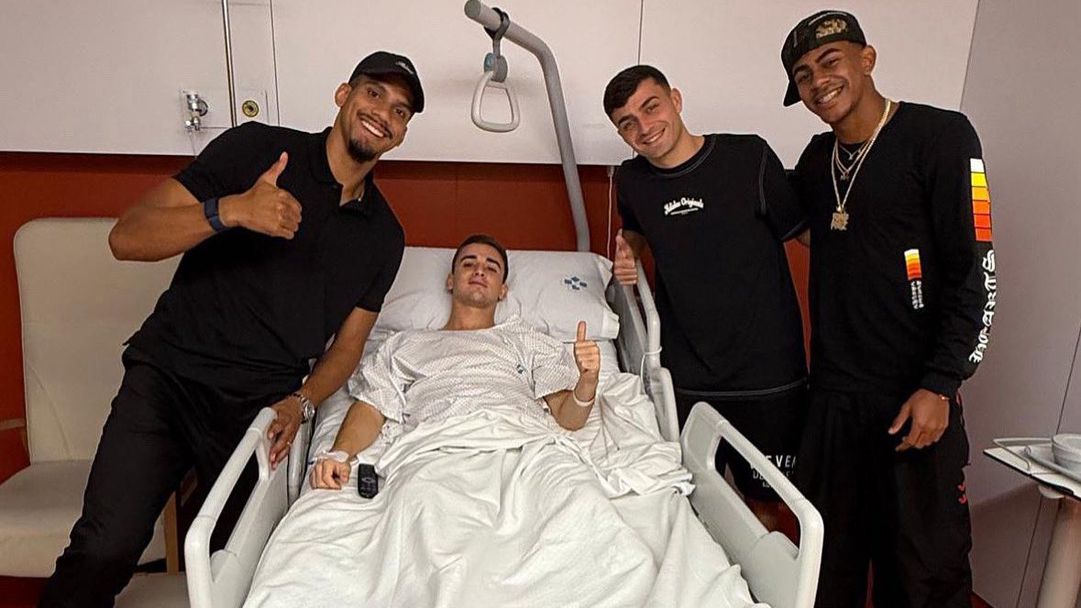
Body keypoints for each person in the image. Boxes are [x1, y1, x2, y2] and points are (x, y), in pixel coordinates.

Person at [39, 51, 424, 608]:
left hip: (256, 408)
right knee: (105, 548)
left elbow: (348, 348)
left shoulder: (384, 236)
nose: (383, 113)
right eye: (373, 94)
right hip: (171, 375)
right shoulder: (259, 150)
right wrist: (231, 211)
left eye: (400, 110)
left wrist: (301, 402)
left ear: (402, 133)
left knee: (243, 572)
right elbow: (127, 237)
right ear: (343, 95)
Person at [782, 10, 996, 607]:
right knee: (826, 573)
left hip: (913, 398)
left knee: (925, 575)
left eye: (830, 62)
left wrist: (942, 383)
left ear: (867, 58)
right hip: (833, 401)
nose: (819, 82)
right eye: (803, 76)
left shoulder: (942, 137)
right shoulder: (816, 160)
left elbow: (977, 270)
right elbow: (755, 210)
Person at [602, 65, 808, 531]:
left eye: (651, 107)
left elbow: (803, 232)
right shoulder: (632, 180)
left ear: (676, 99)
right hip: (688, 371)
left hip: (767, 372)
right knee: (693, 503)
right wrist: (628, 249)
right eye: (627, 123)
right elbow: (636, 229)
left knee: (765, 504)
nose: (643, 128)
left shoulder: (747, 158)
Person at [310, 233, 601, 489]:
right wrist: (340, 453)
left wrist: (587, 382)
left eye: (491, 267)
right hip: (436, 452)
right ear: (450, 281)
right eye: (468, 263)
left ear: (503, 290)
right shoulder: (404, 345)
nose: (479, 270)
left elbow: (568, 418)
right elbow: (372, 408)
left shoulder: (526, 339)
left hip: (523, 447)